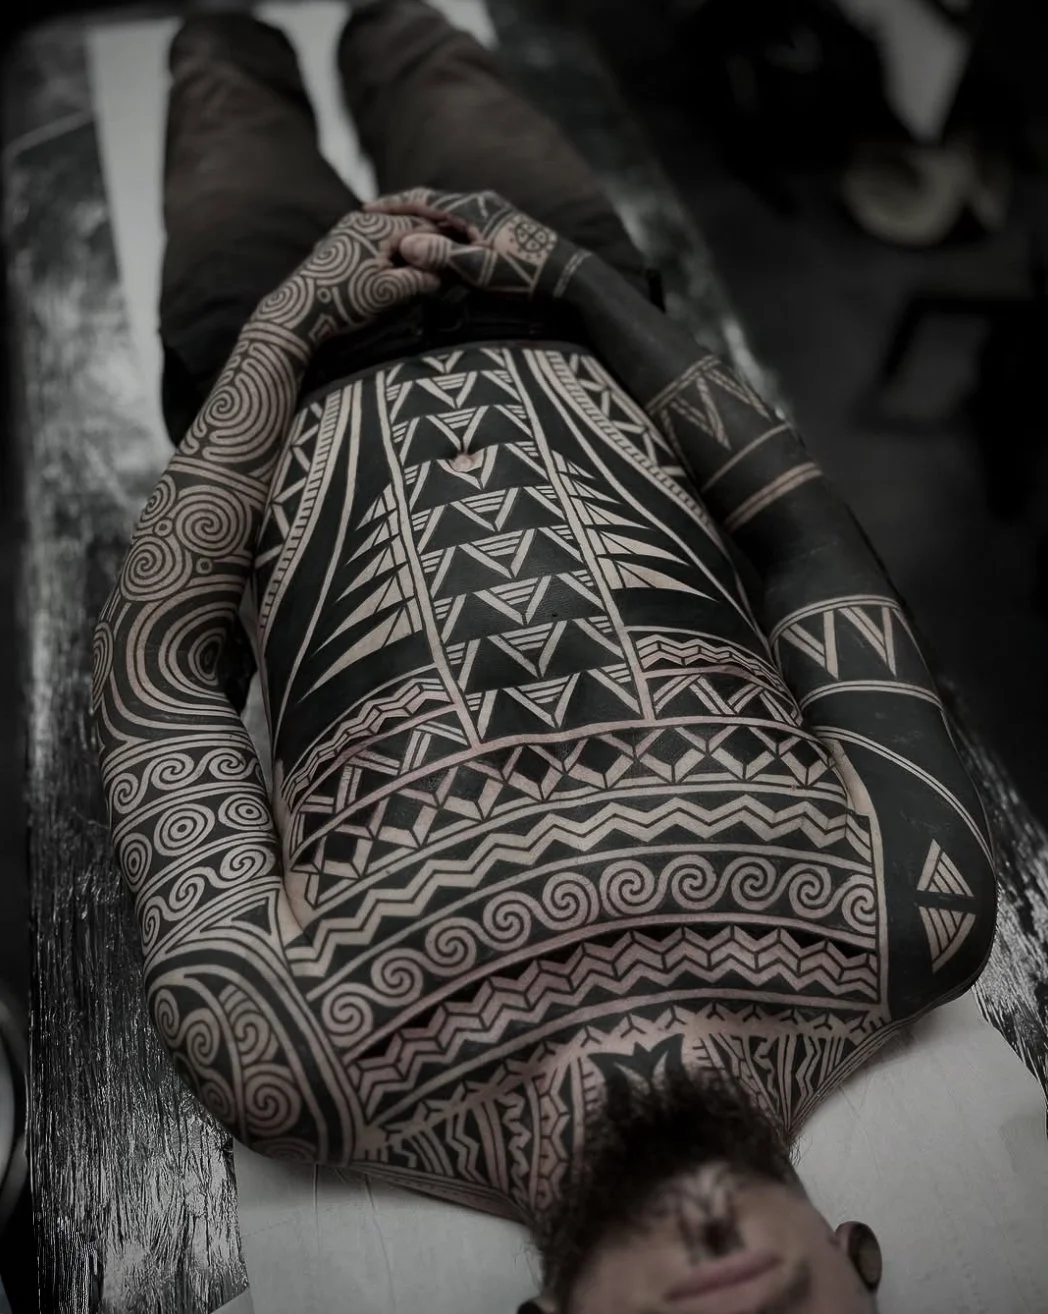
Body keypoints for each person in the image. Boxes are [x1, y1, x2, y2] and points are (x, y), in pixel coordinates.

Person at [90, 3, 998, 1311]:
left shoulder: (290, 1052)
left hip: (272, 362)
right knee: (416, 38)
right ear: (862, 1266)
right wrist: (575, 279)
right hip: (563, 312)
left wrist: (285, 331)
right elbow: (804, 549)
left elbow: (160, 685)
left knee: (217, 61)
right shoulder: (913, 912)